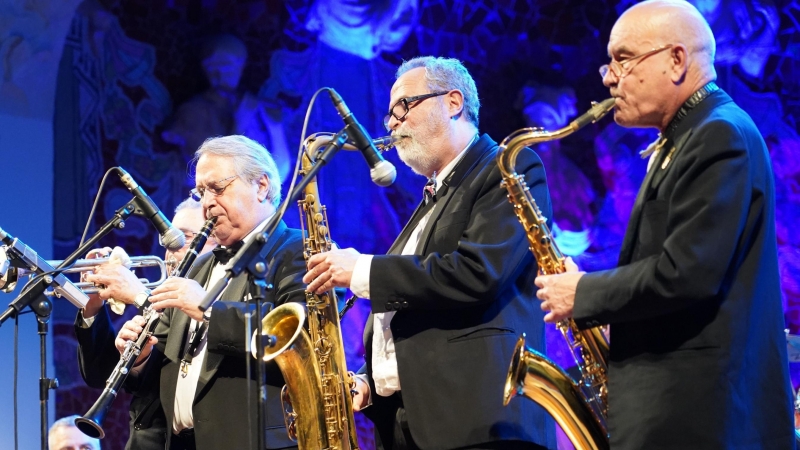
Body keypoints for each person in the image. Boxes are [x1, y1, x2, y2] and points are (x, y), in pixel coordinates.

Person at [534, 1, 794, 448]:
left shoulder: (719, 133)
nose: (608, 76)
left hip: (700, 418)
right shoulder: (691, 133)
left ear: (676, 60)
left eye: (623, 58)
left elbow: (689, 272)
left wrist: (585, 294)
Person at [305, 56, 556, 450]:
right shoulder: (434, 196)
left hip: (484, 423)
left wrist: (362, 270)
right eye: (389, 114)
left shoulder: (507, 166)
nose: (391, 123)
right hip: (417, 423)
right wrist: (373, 384)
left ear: (453, 102)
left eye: (403, 106)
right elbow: (422, 313)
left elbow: (479, 271)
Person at [115, 135, 306, 450]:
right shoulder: (200, 265)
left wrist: (207, 309)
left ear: (261, 186)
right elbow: (163, 367)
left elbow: (299, 338)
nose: (206, 202)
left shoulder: (297, 249)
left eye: (217, 188)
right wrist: (142, 358)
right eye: (201, 192)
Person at [74, 198, 217, 450]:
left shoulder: (221, 298)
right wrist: (93, 303)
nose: (171, 250)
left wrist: (139, 295)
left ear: (217, 243)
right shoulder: (161, 299)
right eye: (167, 242)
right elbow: (99, 374)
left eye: (182, 239)